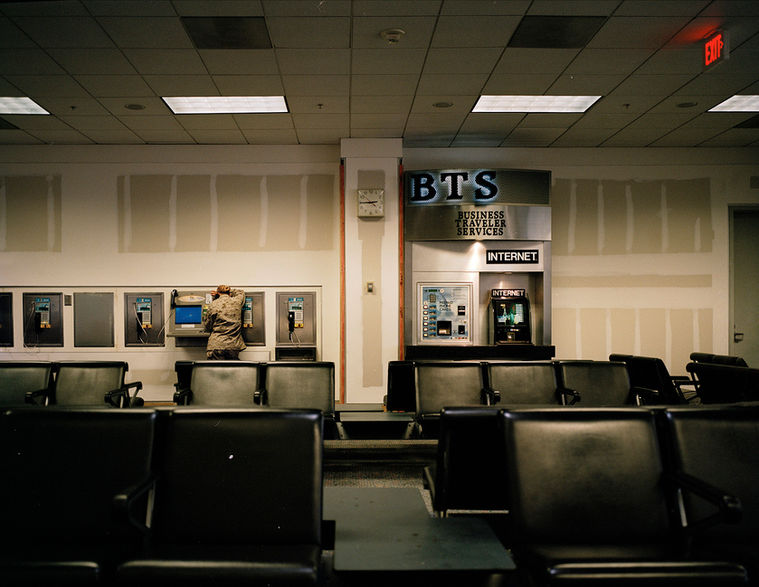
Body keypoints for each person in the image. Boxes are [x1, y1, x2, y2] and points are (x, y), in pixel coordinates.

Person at [203, 285, 246, 360]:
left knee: (215, 370)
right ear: (229, 293)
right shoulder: (237, 302)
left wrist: (217, 294)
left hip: (216, 345)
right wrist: (230, 291)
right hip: (233, 345)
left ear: (218, 293)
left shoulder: (213, 305)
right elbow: (240, 292)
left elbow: (207, 326)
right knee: (231, 370)